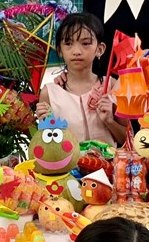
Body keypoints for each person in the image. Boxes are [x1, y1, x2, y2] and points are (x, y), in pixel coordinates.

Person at [35, 13, 125, 146]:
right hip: (69, 160)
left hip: (108, 159)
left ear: (100, 49)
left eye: (86, 43)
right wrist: (45, 124)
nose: (76, 51)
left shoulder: (112, 86)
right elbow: (47, 148)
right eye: (68, 43)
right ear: (59, 50)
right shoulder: (49, 93)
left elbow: (128, 139)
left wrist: (109, 121)